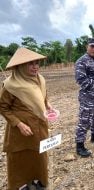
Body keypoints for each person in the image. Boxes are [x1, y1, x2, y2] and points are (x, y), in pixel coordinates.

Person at [0, 47, 52, 190]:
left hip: (39, 126)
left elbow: (43, 96)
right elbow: (3, 107)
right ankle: (21, 185)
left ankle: (38, 181)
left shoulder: (40, 79)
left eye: (37, 63)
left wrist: (47, 105)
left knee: (39, 155)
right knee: (20, 158)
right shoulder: (10, 85)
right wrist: (19, 124)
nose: (35, 67)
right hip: (21, 131)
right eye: (31, 64)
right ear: (21, 66)